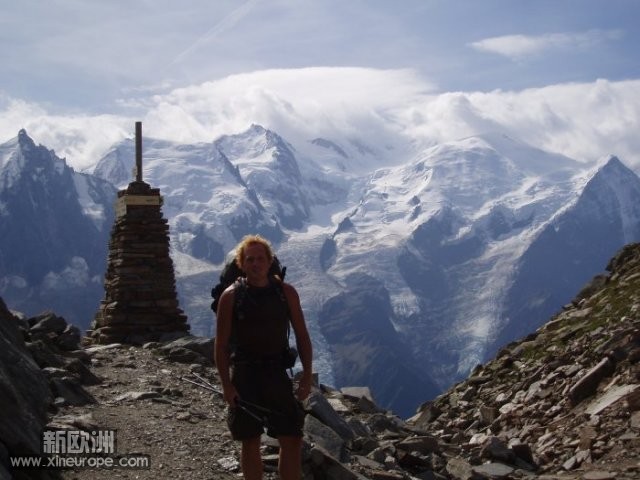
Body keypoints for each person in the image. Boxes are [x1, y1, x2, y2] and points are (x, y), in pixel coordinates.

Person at [214, 234, 313, 480]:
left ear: (270, 262)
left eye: (260, 259)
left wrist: (307, 375)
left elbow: (302, 336)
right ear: (242, 263)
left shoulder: (286, 293)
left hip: (275, 373)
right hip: (245, 375)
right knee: (250, 440)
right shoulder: (230, 296)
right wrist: (227, 385)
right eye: (250, 260)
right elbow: (222, 345)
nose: (255, 264)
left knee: (292, 437)